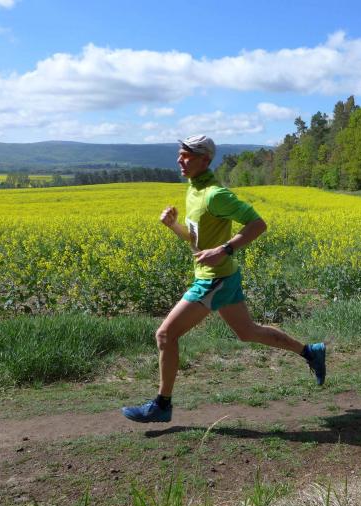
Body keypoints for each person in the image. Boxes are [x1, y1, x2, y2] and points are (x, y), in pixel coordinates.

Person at [122, 134, 326, 423]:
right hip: (222, 276)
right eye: (180, 154)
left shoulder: (215, 194)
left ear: (205, 160)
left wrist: (225, 249)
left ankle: (162, 404)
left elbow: (258, 224)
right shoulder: (194, 190)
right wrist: (173, 226)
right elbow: (197, 241)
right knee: (248, 332)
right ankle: (310, 352)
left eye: (187, 155)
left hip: (214, 279)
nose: (180, 160)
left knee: (165, 335)